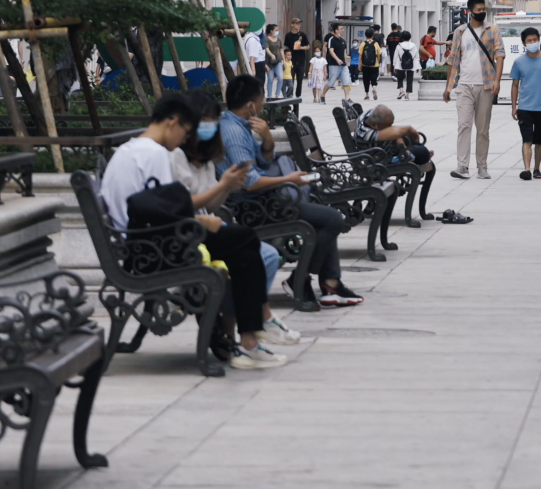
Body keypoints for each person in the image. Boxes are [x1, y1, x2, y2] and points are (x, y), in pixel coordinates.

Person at [99, 93, 290, 369]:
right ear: (172, 123)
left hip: (142, 245)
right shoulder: (154, 154)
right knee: (244, 241)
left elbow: (155, 207)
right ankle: (256, 330)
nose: (184, 142)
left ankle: (251, 338)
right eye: (185, 133)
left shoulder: (130, 149)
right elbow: (164, 211)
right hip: (157, 248)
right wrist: (201, 222)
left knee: (242, 245)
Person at [170, 92, 303, 356]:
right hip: (189, 234)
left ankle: (243, 333)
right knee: (251, 249)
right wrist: (225, 186)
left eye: (212, 120)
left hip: (207, 226)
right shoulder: (175, 157)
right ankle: (253, 325)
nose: (209, 125)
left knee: (264, 253)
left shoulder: (205, 156)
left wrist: (228, 185)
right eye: (204, 120)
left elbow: (213, 201)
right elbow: (184, 206)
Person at [218, 75, 362, 309]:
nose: (264, 102)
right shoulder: (233, 133)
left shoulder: (241, 125)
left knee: (323, 215)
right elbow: (250, 183)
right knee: (332, 218)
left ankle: (330, 283)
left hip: (265, 199)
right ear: (251, 104)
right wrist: (290, 179)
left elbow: (265, 161)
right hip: (253, 207)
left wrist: (266, 138)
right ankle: (300, 279)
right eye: (262, 97)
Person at [445, 0, 504, 180]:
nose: (482, 12)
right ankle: (462, 166)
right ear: (470, 12)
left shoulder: (492, 29)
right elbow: (453, 60)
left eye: (483, 9)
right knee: (464, 125)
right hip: (464, 86)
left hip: (485, 85)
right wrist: (448, 87)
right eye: (478, 10)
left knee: (483, 129)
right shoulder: (460, 31)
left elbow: (500, 55)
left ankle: (482, 167)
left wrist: (497, 81)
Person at [509, 27, 541, 181]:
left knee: (539, 140)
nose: (533, 43)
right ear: (524, 43)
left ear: (539, 40)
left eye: (535, 40)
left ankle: (537, 168)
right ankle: (527, 169)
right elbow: (514, 85)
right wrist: (514, 106)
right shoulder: (519, 62)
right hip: (525, 107)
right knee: (527, 139)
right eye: (529, 41)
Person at [353, 104, 431, 166]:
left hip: (385, 148)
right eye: (387, 126)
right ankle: (424, 155)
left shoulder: (369, 115)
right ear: (375, 125)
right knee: (423, 152)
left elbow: (394, 133)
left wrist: (403, 148)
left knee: (417, 146)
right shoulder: (365, 133)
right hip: (380, 159)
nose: (390, 127)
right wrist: (409, 128)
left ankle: (421, 154)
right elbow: (395, 133)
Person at [320, 22, 351, 104]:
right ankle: (322, 95)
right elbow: (331, 51)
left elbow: (344, 52)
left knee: (346, 81)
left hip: (343, 65)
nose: (343, 30)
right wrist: (337, 60)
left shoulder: (343, 41)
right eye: (341, 29)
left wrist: (345, 60)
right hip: (334, 64)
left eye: (343, 28)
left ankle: (347, 99)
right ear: (336, 30)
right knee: (331, 82)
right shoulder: (332, 40)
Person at [284, 18, 311, 99]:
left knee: (300, 78)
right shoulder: (288, 35)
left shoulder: (302, 35)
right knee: (290, 77)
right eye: (297, 24)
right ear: (292, 25)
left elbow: (308, 46)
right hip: (291, 59)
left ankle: (298, 94)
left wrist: (301, 47)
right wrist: (286, 56)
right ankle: (290, 93)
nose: (299, 25)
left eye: (299, 24)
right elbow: (286, 46)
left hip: (301, 58)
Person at [392, 30, 420, 100]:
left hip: (400, 64)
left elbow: (395, 56)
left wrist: (394, 65)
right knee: (410, 79)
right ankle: (407, 95)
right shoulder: (414, 46)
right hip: (411, 65)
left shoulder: (399, 46)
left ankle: (401, 90)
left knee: (400, 78)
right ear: (410, 37)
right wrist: (417, 66)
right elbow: (417, 56)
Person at [359, 29, 384, 101]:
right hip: (374, 64)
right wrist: (379, 62)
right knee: (374, 78)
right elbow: (379, 54)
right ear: (372, 35)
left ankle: (367, 94)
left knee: (366, 79)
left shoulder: (363, 44)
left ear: (365, 35)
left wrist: (360, 64)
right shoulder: (376, 44)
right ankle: (374, 88)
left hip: (365, 64)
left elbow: (360, 55)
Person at [263, 24, 284, 99]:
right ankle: (269, 96)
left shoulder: (279, 39)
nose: (277, 32)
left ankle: (277, 94)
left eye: (278, 30)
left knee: (281, 77)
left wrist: (283, 60)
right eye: (276, 30)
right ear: (271, 31)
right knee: (270, 79)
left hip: (278, 61)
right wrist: (271, 55)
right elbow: (267, 49)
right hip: (269, 62)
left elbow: (281, 49)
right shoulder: (267, 39)